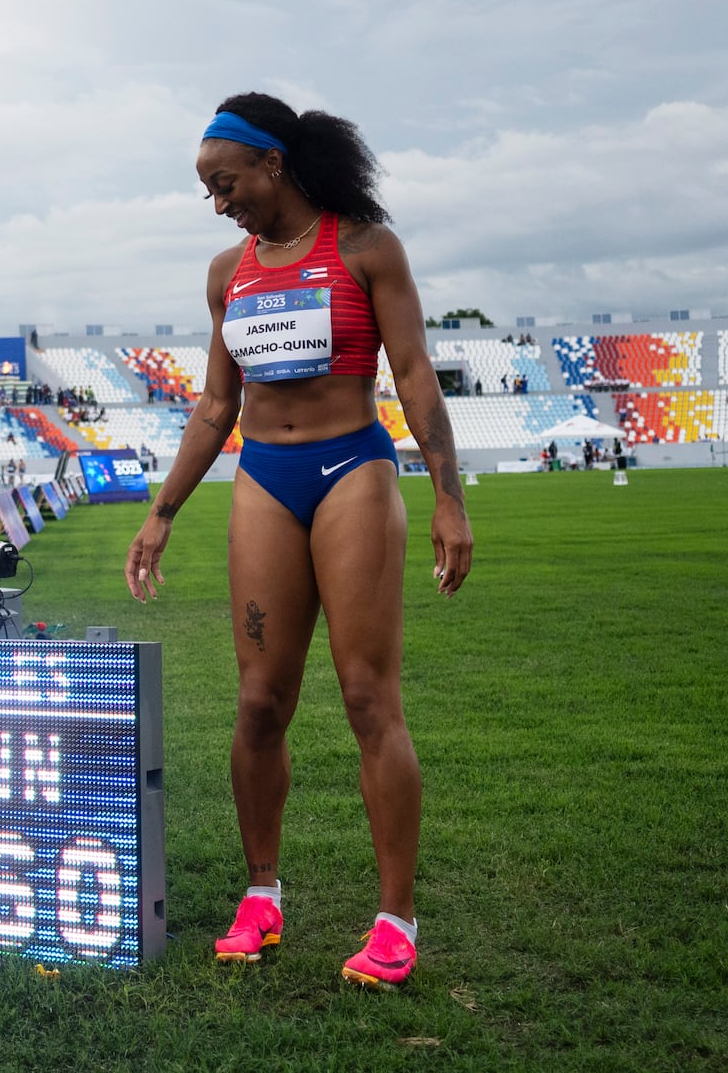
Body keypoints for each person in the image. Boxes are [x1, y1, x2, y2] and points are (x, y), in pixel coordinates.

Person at [124, 94, 471, 991]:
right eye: (208, 191)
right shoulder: (226, 273)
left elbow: (415, 373)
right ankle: (261, 895)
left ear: (272, 163)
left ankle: (395, 919)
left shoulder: (366, 248)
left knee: (367, 696)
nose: (219, 202)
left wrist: (449, 496)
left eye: (226, 182)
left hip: (352, 468)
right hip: (264, 479)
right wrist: (163, 511)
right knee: (257, 703)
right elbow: (217, 404)